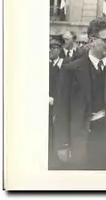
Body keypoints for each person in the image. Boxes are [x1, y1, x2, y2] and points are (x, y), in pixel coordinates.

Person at [53, 17, 106, 170]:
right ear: (92, 40)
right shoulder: (71, 70)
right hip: (79, 140)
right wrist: (62, 144)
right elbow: (61, 109)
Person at [48, 38, 63, 169]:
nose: (51, 50)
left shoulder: (61, 66)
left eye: (54, 48)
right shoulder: (48, 65)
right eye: (50, 47)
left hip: (56, 103)